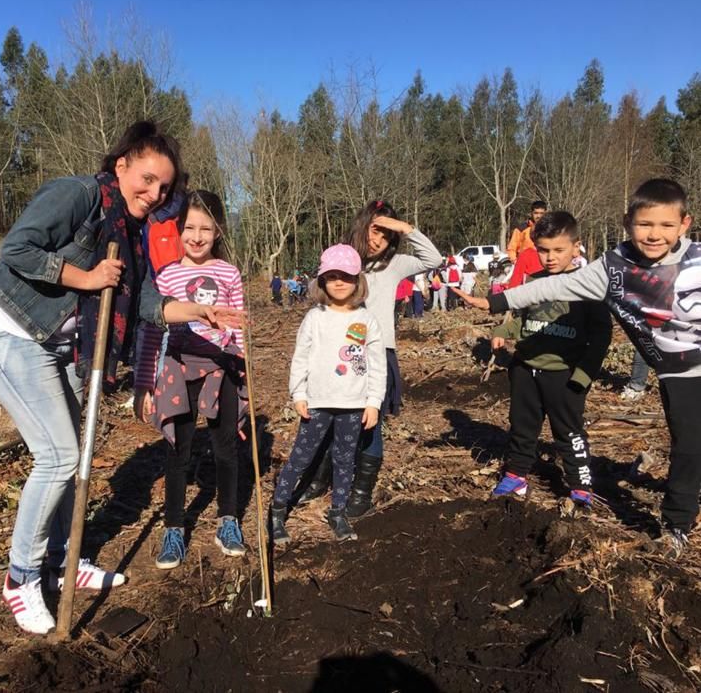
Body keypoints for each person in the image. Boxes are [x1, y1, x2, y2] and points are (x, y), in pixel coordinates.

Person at [0, 121, 241, 635]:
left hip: (68, 345)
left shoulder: (133, 232)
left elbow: (142, 301)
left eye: (163, 187)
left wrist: (197, 312)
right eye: (146, 178)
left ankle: (64, 562)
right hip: (14, 333)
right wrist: (86, 277)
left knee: (77, 450)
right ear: (121, 165)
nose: (154, 193)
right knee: (59, 455)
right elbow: (17, 250)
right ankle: (21, 577)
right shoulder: (77, 195)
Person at [455, 179, 700, 557]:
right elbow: (549, 289)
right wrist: (494, 303)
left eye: (666, 225)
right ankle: (676, 527)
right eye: (645, 224)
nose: (654, 235)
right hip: (678, 371)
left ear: (684, 224)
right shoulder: (613, 268)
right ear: (627, 222)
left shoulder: (697, 259)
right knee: (688, 446)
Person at [298, 200, 442, 515]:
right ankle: (319, 480)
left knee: (369, 423)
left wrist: (405, 228)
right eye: (374, 230)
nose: (377, 240)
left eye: (386, 235)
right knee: (327, 416)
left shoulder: (395, 264)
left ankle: (361, 493)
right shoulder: (343, 263)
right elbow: (316, 291)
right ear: (361, 227)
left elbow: (434, 258)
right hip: (335, 356)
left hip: (375, 356)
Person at [134, 190, 246, 569]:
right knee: (177, 451)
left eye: (206, 229)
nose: (197, 237)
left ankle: (228, 519)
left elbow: (238, 322)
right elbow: (152, 331)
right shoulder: (167, 275)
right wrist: (146, 381)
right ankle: (174, 528)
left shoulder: (229, 273)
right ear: (179, 231)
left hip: (222, 367)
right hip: (179, 368)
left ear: (218, 232)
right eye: (190, 228)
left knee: (226, 447)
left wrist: (243, 364)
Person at [486, 212, 611, 506]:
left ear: (576, 246)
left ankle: (579, 485)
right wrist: (503, 329)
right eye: (543, 250)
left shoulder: (588, 287)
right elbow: (522, 321)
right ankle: (516, 474)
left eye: (558, 250)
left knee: (569, 431)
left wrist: (583, 375)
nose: (550, 258)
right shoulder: (534, 282)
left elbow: (601, 336)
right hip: (525, 369)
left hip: (564, 375)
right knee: (522, 425)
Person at [270, 244, 386, 544]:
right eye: (331, 276)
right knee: (301, 458)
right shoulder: (315, 317)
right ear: (321, 280)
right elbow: (301, 358)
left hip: (353, 405)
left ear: (357, 280)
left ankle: (337, 512)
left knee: (345, 460)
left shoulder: (367, 320)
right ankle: (278, 509)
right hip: (318, 403)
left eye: (345, 276)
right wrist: (299, 393)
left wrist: (373, 402)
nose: (338, 282)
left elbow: (377, 366)